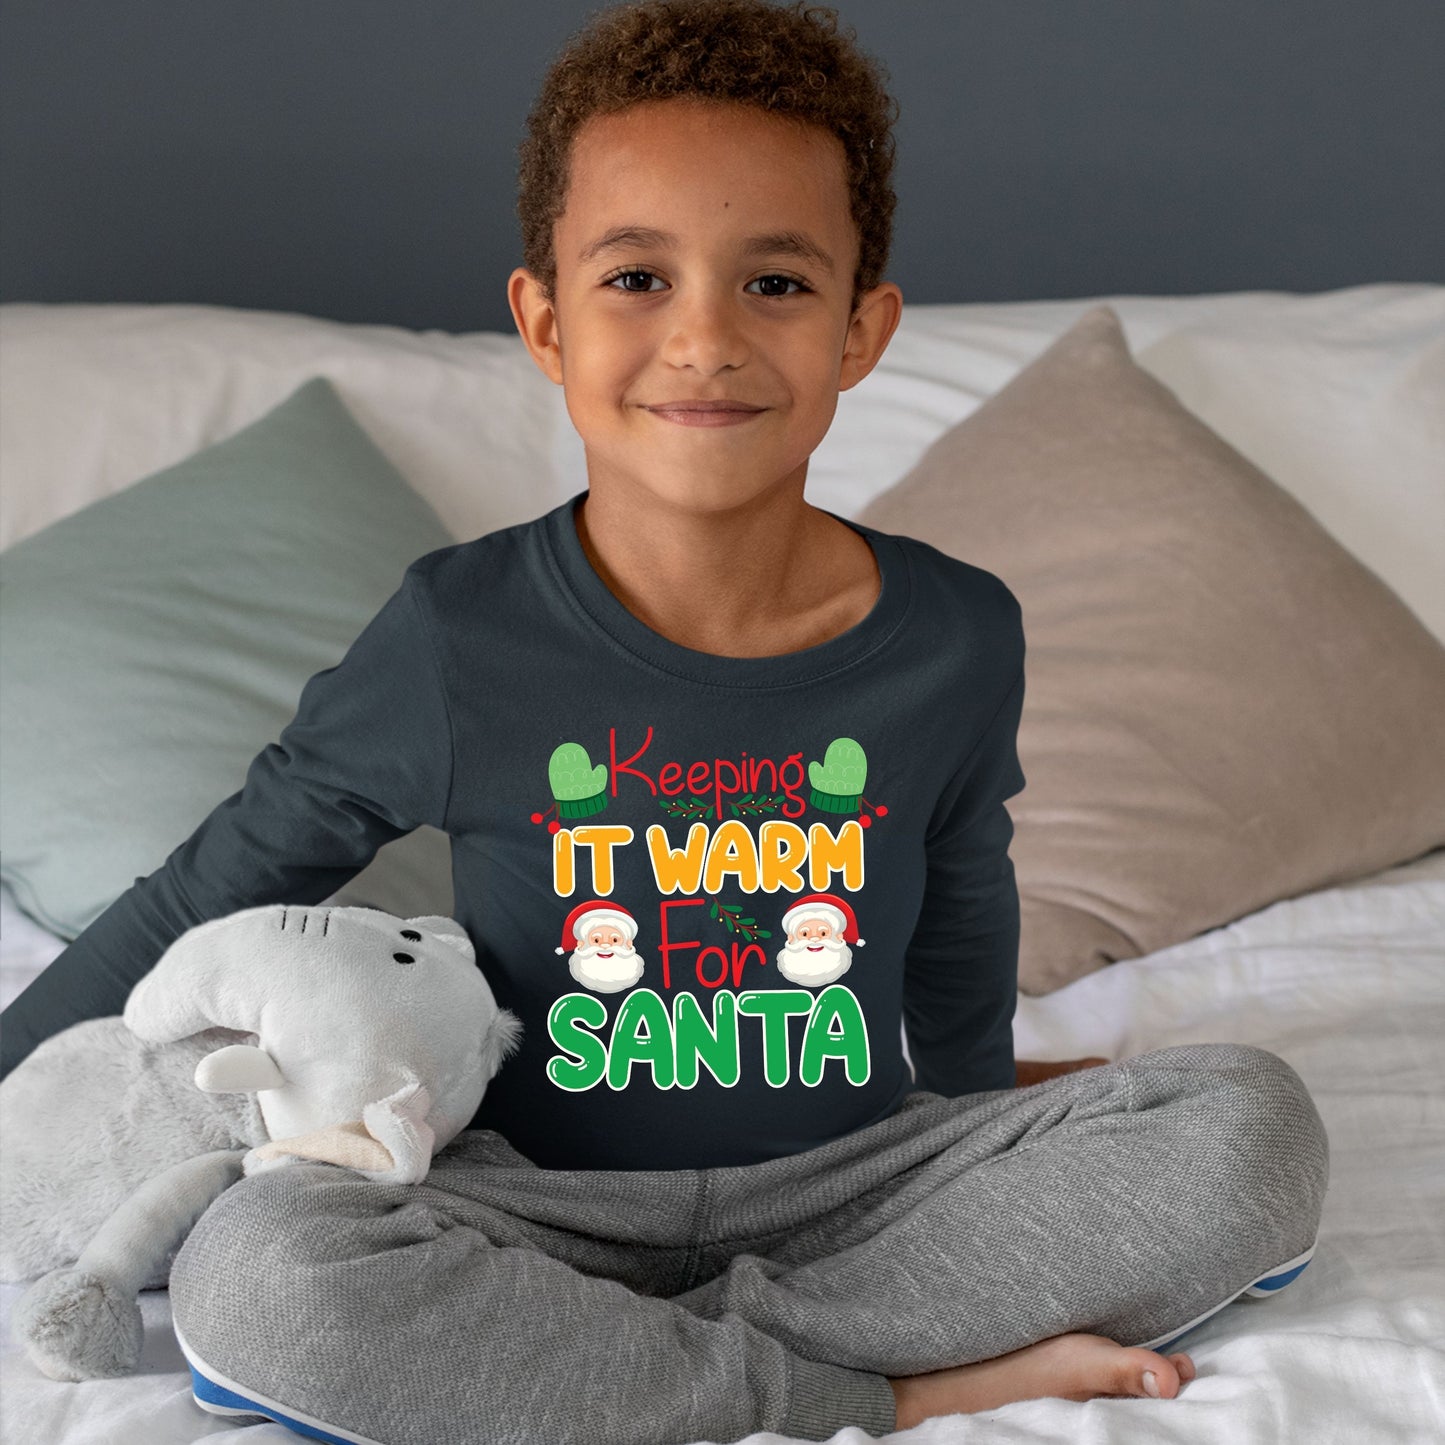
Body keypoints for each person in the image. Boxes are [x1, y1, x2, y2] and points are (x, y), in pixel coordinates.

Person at [0, 2, 1328, 1441]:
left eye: (775, 282)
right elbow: (225, 879)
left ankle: (605, 1366)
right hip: (522, 1196)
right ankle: (878, 1388)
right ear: (546, 322)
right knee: (264, 1274)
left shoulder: (955, 632)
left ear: (860, 330)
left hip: (853, 1189)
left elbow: (959, 904)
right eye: (638, 277)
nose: (704, 337)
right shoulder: (458, 633)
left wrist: (981, 1110)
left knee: (1249, 1126)